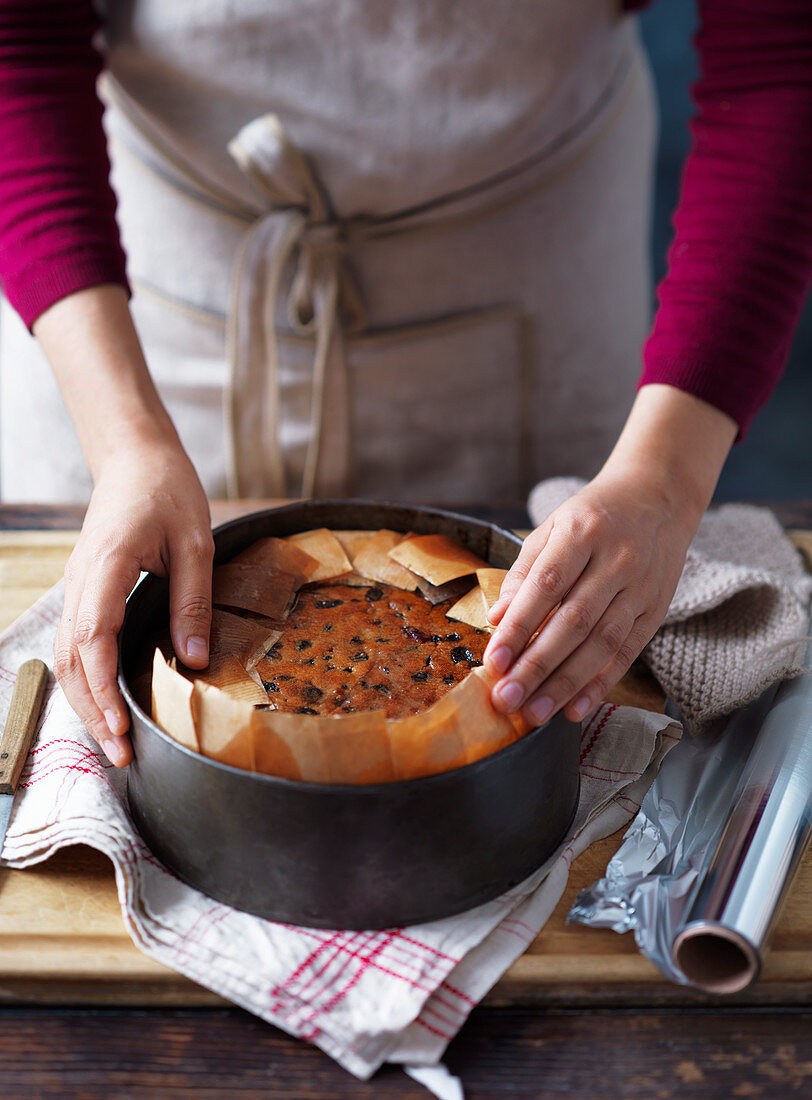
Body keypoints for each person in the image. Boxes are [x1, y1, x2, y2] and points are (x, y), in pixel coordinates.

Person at [0, 1, 809, 767]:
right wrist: (127, 443)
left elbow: (780, 60)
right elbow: (18, 48)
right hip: (149, 294)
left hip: (532, 257)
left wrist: (663, 482)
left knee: (566, 630)